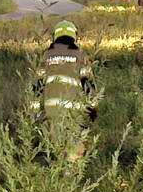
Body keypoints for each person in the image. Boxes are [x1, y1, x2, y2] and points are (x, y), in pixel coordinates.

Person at [31, 20, 95, 159]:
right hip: (74, 111)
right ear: (74, 36)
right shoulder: (81, 57)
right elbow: (89, 86)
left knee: (54, 148)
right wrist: (93, 110)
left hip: (50, 109)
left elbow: (37, 87)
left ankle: (55, 171)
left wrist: (34, 113)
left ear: (55, 36)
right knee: (73, 149)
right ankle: (70, 173)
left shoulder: (45, 57)